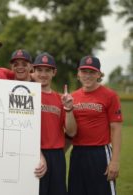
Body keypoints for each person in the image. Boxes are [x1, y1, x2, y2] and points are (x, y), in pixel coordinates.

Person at [68, 56, 122, 195]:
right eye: (84, 71)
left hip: (100, 154)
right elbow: (69, 132)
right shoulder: (72, 97)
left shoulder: (110, 95)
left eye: (92, 72)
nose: (87, 76)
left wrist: (115, 161)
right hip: (78, 154)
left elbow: (116, 129)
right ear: (78, 73)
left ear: (99, 74)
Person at [30, 52, 77, 195]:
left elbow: (72, 132)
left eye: (47, 70)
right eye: (39, 70)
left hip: (57, 156)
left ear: (54, 72)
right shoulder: (26, 94)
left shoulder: (60, 99)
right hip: (33, 153)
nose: (43, 74)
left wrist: (68, 109)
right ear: (33, 71)